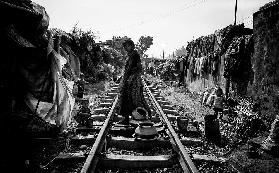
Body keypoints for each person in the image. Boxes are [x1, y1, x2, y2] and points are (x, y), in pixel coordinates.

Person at [118, 39, 151, 125]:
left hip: (133, 80)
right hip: (128, 79)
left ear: (132, 46)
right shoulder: (130, 55)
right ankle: (126, 119)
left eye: (127, 46)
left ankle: (144, 116)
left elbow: (139, 68)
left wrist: (131, 75)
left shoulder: (135, 55)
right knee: (126, 98)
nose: (125, 48)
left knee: (134, 99)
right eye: (125, 46)